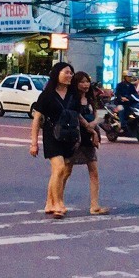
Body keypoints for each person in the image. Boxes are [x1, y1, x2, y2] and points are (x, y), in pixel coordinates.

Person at [29, 63, 77, 219]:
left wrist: (91, 130)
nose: (70, 76)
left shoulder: (72, 94)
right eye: (67, 72)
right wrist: (34, 143)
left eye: (71, 73)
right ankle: (58, 203)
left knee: (61, 171)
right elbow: (37, 119)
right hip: (52, 136)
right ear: (57, 74)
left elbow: (78, 116)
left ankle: (50, 203)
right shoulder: (47, 95)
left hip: (68, 136)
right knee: (59, 168)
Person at [65, 71, 110, 216]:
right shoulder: (72, 98)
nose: (85, 85)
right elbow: (76, 116)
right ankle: (55, 201)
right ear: (76, 83)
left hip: (89, 139)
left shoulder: (90, 98)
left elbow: (97, 116)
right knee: (66, 171)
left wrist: (95, 126)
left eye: (87, 81)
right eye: (82, 82)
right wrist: (90, 129)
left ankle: (94, 205)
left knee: (94, 171)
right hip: (76, 138)